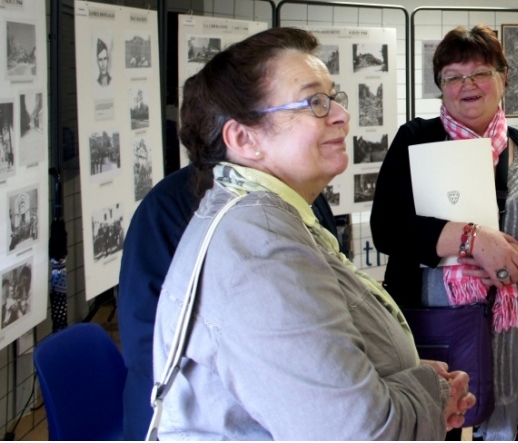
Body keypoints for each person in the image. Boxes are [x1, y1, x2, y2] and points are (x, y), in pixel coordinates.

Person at [152, 27, 474, 439]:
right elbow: (358, 433)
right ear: (243, 138)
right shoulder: (260, 248)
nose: (342, 114)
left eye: (333, 97)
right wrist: (430, 392)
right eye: (314, 102)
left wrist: (394, 376)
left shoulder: (265, 219)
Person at [371, 25, 518, 440]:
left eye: (480, 73)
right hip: (437, 333)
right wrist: (470, 238)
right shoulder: (415, 141)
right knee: (442, 424)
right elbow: (388, 229)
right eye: (453, 76)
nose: (467, 85)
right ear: (441, 88)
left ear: (503, 79)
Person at [118, 163, 349, 440]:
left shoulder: (304, 197)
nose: (339, 122)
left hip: (290, 400)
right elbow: (144, 334)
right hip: (190, 415)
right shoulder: (168, 204)